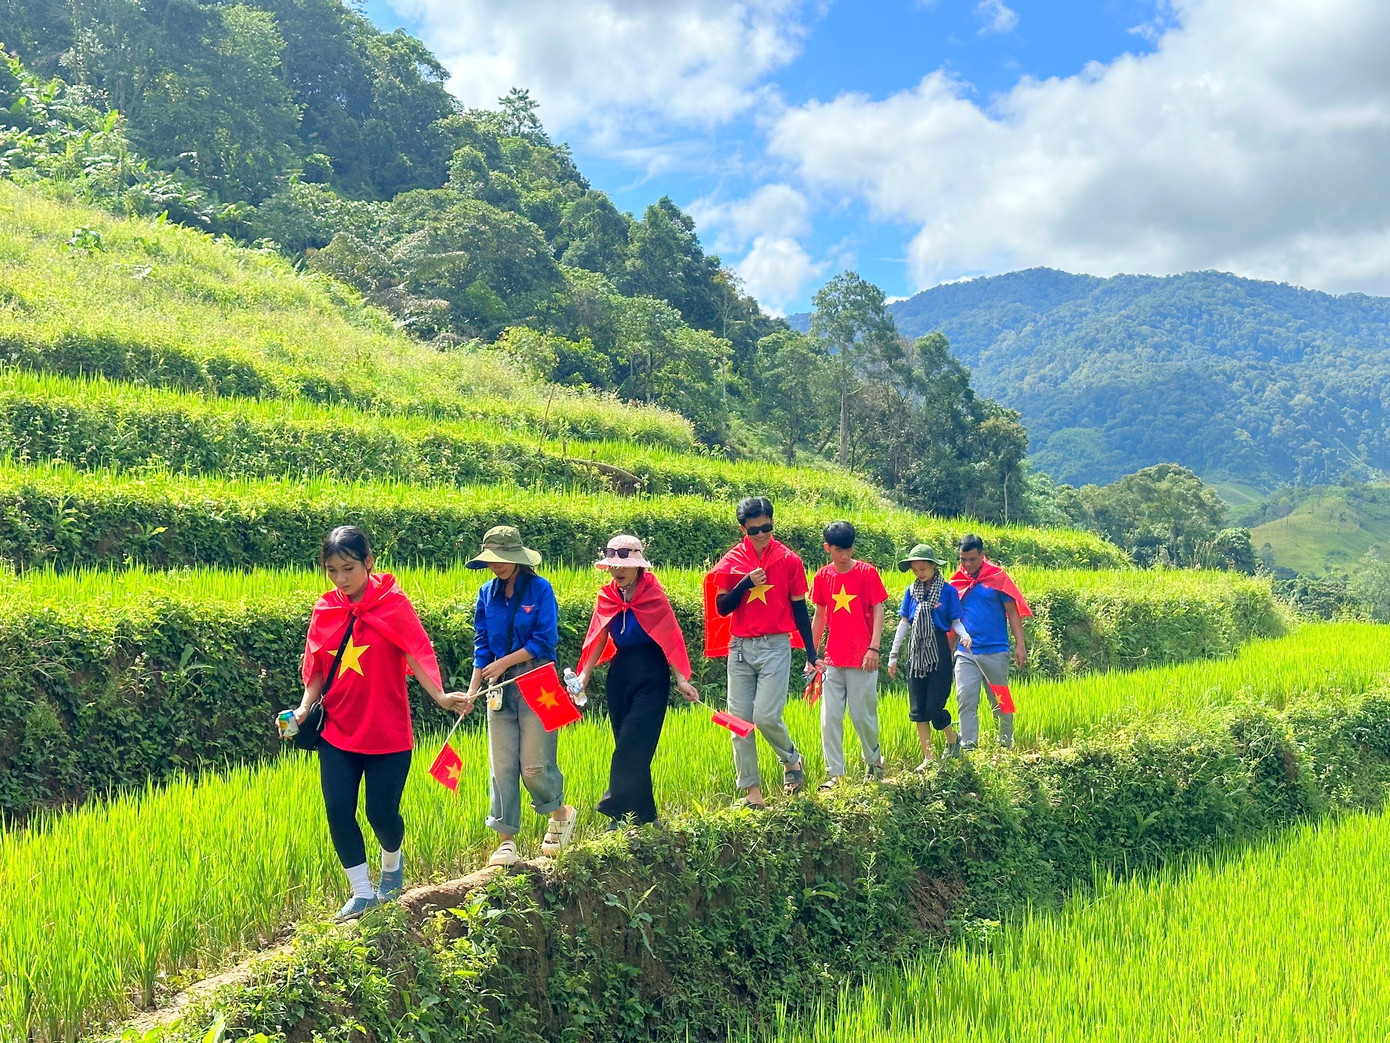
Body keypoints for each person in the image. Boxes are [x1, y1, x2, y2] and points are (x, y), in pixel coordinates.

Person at [293, 525, 470, 921]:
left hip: (387, 733)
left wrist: (441, 697)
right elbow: (318, 670)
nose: (340, 579)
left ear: (369, 563)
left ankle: (392, 861)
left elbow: (415, 653)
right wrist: (304, 708)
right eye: (331, 570)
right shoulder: (325, 610)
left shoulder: (393, 604)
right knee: (338, 808)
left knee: (381, 813)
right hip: (338, 729)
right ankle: (361, 892)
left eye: (349, 568)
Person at [464, 525, 576, 867]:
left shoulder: (541, 590)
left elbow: (544, 642)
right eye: (491, 559)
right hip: (497, 689)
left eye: (503, 558)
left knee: (534, 766)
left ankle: (561, 812)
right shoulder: (486, 594)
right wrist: (472, 690)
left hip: (539, 682)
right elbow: (482, 645)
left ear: (518, 559)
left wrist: (501, 665)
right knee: (501, 768)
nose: (496, 565)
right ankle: (507, 840)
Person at [573, 535, 700, 828]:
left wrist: (681, 679)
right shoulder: (607, 595)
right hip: (620, 674)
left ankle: (616, 812)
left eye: (625, 565)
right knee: (628, 744)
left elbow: (671, 637)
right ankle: (646, 817)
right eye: (613, 565)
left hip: (652, 673)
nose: (617, 570)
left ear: (638, 567)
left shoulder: (654, 595)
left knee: (632, 745)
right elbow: (598, 636)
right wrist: (584, 675)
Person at [703, 496, 820, 808]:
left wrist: (811, 652)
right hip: (740, 648)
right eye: (755, 529)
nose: (762, 534)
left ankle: (792, 759)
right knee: (738, 722)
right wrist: (744, 583)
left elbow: (799, 608)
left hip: (775, 646)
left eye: (767, 527)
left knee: (766, 716)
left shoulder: (788, 560)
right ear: (744, 528)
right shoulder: (733, 560)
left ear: (772, 523)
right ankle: (753, 795)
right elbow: (722, 607)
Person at [809, 520, 888, 789]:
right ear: (827, 548)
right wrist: (812, 655)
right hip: (832, 659)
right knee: (829, 716)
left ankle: (874, 763)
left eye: (848, 550)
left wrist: (874, 647)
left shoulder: (867, 573)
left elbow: (879, 610)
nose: (844, 556)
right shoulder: (822, 577)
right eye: (838, 550)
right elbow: (819, 617)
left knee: (861, 715)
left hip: (863, 658)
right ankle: (835, 774)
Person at [887, 544, 970, 769]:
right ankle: (929, 757)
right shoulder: (910, 592)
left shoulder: (948, 591)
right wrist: (893, 655)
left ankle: (953, 739)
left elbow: (955, 621)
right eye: (915, 570)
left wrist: (964, 636)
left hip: (939, 650)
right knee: (918, 708)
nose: (920, 574)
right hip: (916, 652)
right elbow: (905, 622)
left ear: (934, 566)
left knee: (934, 705)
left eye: (923, 568)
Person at [950, 534, 1031, 751]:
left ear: (982, 556)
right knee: (965, 697)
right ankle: (969, 745)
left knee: (1000, 699)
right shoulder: (957, 580)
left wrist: (1020, 645)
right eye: (963, 559)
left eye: (972, 560)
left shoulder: (997, 577)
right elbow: (952, 619)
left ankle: (1005, 743)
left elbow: (1012, 613)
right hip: (965, 652)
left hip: (995, 651)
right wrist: (949, 650)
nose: (967, 565)